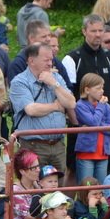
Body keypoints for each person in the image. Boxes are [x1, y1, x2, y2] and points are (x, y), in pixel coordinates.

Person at [10, 43, 75, 172]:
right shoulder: (19, 82)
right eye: (46, 60)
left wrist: (54, 84)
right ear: (31, 61)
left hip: (58, 145)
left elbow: (71, 103)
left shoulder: (56, 78)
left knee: (59, 188)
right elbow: (31, 110)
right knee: (35, 187)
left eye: (51, 59)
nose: (50, 63)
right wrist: (56, 106)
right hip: (33, 146)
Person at [73, 72, 110, 182]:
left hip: (103, 154)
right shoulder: (80, 105)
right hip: (86, 153)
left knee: (101, 188)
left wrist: (96, 125)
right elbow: (94, 122)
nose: (102, 91)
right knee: (86, 187)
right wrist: (97, 122)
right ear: (87, 90)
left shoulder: (106, 106)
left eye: (102, 88)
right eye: (98, 88)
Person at [62, 14, 110, 96]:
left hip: (106, 107)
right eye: (93, 31)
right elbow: (68, 92)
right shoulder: (72, 58)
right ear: (84, 31)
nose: (97, 34)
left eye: (100, 31)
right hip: (81, 108)